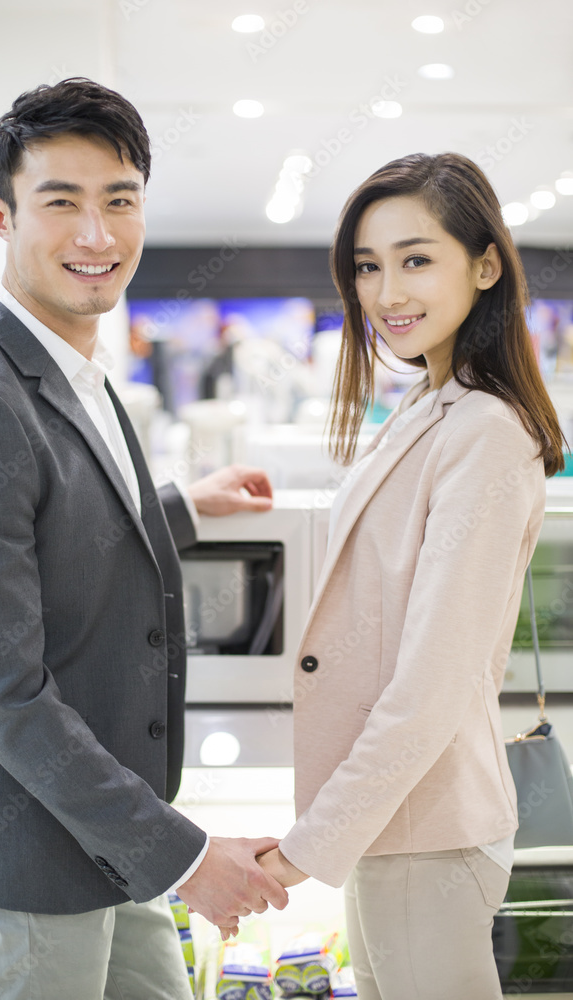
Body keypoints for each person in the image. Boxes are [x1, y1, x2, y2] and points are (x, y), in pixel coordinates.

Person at [0, 78, 289, 1000]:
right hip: (31, 858)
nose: (96, 235)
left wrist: (177, 508)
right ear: (0, 215)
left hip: (110, 833)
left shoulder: (75, 365)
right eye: (61, 202)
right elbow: (7, 694)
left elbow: (60, 523)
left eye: (119, 201)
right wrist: (187, 856)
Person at [255, 152, 566, 999]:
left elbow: (431, 681)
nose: (387, 291)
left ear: (485, 264)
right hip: (396, 827)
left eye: (415, 259)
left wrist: (305, 848)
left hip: (422, 827)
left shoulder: (486, 433)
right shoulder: (431, 404)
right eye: (367, 265)